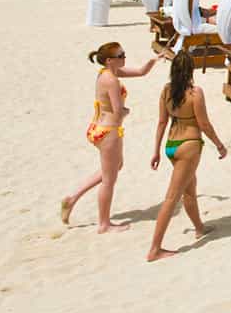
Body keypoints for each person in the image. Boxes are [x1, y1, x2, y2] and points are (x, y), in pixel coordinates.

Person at [62, 42, 163, 233]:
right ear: (110, 60)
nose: (124, 57)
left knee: (114, 167)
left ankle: (73, 198)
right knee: (109, 179)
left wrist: (153, 61)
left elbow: (141, 72)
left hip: (99, 127)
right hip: (109, 131)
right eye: (121, 55)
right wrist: (127, 111)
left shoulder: (107, 73)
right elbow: (118, 111)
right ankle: (103, 224)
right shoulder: (112, 80)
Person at [147, 53, 228, 261]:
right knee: (171, 198)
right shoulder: (194, 93)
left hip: (171, 147)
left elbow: (161, 123)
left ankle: (199, 228)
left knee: (189, 190)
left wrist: (156, 150)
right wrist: (219, 145)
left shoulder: (166, 91)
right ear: (191, 69)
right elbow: (204, 124)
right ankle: (155, 249)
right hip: (189, 145)